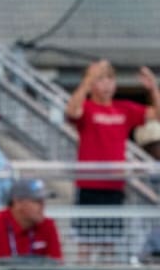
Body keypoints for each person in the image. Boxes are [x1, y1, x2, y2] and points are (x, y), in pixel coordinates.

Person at [65, 59, 160, 261]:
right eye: (101, 79)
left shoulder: (124, 108)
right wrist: (88, 79)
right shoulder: (88, 108)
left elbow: (156, 115)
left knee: (109, 246)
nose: (107, 84)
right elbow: (72, 111)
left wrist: (153, 89)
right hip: (89, 186)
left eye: (110, 79)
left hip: (114, 187)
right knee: (85, 246)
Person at [0, 178, 62, 261]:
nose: (43, 206)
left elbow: (57, 264)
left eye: (43, 201)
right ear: (18, 202)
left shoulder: (47, 225)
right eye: (37, 201)